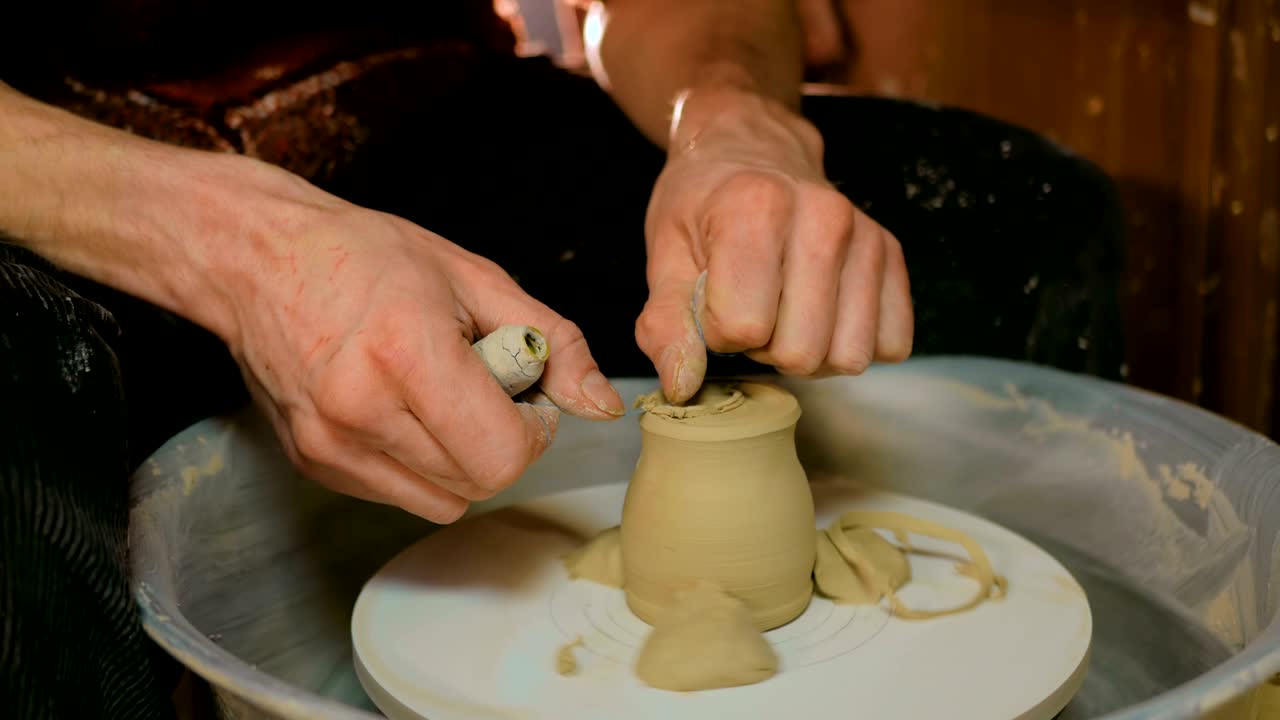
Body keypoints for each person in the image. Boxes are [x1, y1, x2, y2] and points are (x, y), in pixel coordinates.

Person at [1, 1, 932, 717]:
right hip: (67, 170)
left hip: (438, 111)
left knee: (997, 235)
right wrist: (238, 247)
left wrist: (729, 121)